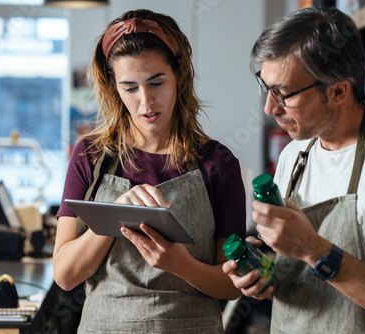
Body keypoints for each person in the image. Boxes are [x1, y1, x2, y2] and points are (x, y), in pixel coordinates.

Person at [223, 6, 365, 334]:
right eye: (266, 87)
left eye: (283, 93)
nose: (269, 108)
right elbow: (295, 271)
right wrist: (260, 272)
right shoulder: (295, 155)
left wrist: (312, 247)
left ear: (338, 91)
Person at [54, 9, 246, 333]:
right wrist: (114, 215)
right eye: (130, 87)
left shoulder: (217, 163)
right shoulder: (89, 156)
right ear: (113, 86)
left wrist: (181, 266)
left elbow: (233, 283)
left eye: (156, 82)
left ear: (179, 74)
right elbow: (65, 275)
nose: (147, 102)